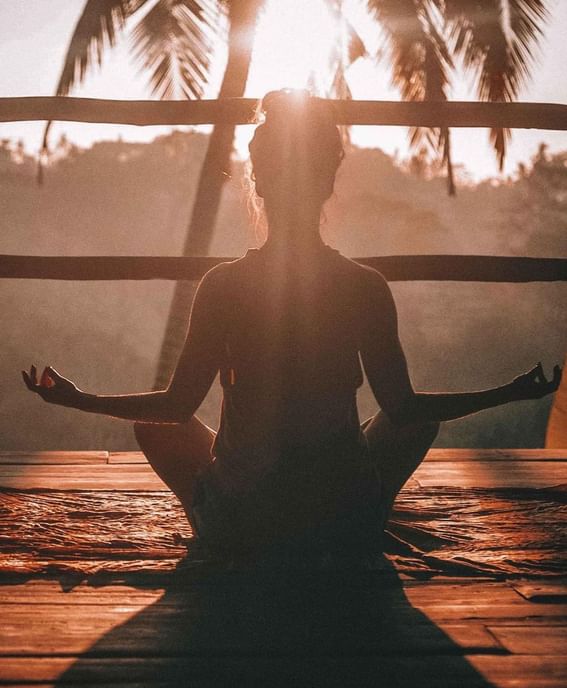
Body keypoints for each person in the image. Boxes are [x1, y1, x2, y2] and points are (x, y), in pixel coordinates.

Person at [23, 89, 562, 555]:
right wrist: (508, 393)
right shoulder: (363, 286)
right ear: (328, 184)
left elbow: (175, 407)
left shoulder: (224, 285)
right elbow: (404, 409)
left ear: (259, 183)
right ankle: (366, 515)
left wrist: (80, 400)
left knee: (155, 427)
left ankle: (218, 524)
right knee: (417, 421)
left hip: (244, 521)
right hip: (341, 518)